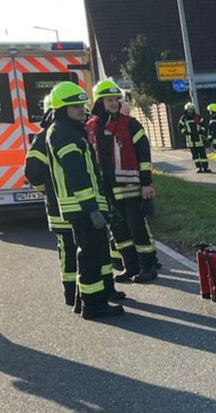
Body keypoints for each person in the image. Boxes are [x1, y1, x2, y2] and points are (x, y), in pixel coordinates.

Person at [46, 81, 124, 319]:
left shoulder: (69, 131)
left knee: (93, 254)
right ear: (62, 110)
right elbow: (77, 176)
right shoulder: (65, 134)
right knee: (90, 257)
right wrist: (92, 209)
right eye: (74, 107)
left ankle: (84, 301)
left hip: (84, 206)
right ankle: (94, 306)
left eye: (81, 105)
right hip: (82, 208)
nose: (81, 110)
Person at [86, 79, 158, 283]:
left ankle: (148, 267)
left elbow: (144, 154)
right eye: (109, 100)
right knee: (119, 231)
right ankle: (130, 267)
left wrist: (146, 183)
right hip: (106, 190)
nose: (114, 103)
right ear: (99, 102)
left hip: (131, 188)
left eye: (116, 99)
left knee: (137, 228)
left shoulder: (130, 124)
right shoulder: (91, 127)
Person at [24, 94, 78, 307]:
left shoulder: (72, 132)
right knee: (69, 250)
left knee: (84, 250)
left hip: (76, 205)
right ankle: (71, 292)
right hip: (61, 208)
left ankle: (90, 292)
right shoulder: (45, 138)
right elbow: (32, 173)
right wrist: (49, 191)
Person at [177, 101, 210, 173]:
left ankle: (205, 167)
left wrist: (201, 131)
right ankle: (198, 167)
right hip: (190, 140)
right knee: (195, 155)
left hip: (199, 138)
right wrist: (185, 132)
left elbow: (203, 125)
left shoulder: (197, 117)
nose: (190, 111)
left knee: (202, 154)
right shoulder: (184, 118)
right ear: (186, 110)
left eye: (191, 109)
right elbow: (180, 127)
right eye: (189, 109)